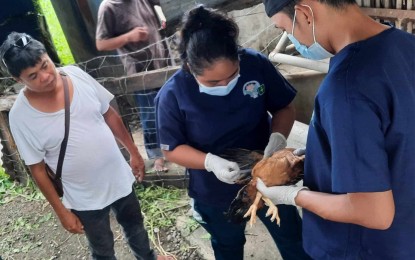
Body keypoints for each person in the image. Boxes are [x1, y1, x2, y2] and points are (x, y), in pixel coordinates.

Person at [258, 0, 415, 259]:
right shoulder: (406, 45)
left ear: (305, 13)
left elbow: (374, 213)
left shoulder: (346, 87)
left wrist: (294, 195)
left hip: (366, 247)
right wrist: (327, 151)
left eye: (285, 29)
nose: (292, 39)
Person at [155, 5, 311, 260]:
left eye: (233, 75)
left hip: (269, 177)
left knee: (294, 239)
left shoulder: (255, 65)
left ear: (238, 57)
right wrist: (209, 162)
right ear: (190, 68)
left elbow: (283, 106)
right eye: (213, 83)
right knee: (227, 246)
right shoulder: (173, 95)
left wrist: (278, 137)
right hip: (215, 190)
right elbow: (171, 148)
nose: (226, 84)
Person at [0, 32, 171, 260]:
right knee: (102, 248)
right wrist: (62, 212)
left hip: (118, 177)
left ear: (49, 57)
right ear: (18, 80)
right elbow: (37, 169)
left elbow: (109, 114)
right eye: (33, 76)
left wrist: (134, 153)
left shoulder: (76, 76)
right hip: (84, 196)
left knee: (136, 227)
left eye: (45, 65)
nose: (45, 76)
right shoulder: (22, 116)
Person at [96, 0, 169, 172]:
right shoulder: (108, 7)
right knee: (150, 114)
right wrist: (129, 37)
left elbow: (158, 5)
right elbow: (101, 44)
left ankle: (178, 148)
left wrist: (161, 18)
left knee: (171, 108)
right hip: (139, 70)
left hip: (162, 60)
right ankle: (157, 156)